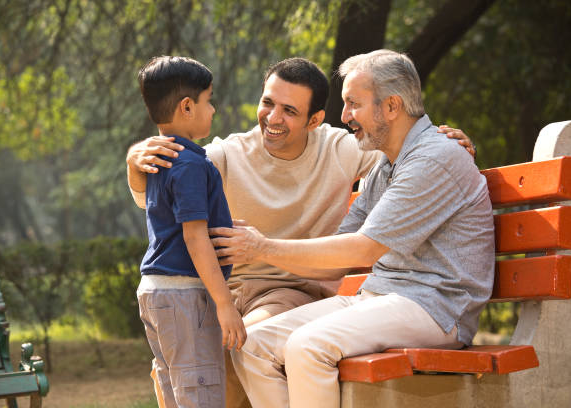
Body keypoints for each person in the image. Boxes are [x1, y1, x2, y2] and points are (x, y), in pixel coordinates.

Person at [126, 57, 476, 408]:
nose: (273, 118)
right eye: (268, 103)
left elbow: (366, 245)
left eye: (353, 104)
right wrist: (135, 163)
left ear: (314, 120)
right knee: (234, 349)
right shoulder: (228, 154)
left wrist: (262, 248)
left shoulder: (362, 150)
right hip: (253, 290)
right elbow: (159, 194)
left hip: (329, 294)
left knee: (250, 348)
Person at [135, 55, 246, 408]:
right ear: (187, 107)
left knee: (177, 394)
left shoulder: (158, 161)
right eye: (208, 100)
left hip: (156, 294)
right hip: (186, 298)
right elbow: (194, 237)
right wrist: (224, 303)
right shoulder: (191, 165)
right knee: (201, 396)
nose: (212, 109)